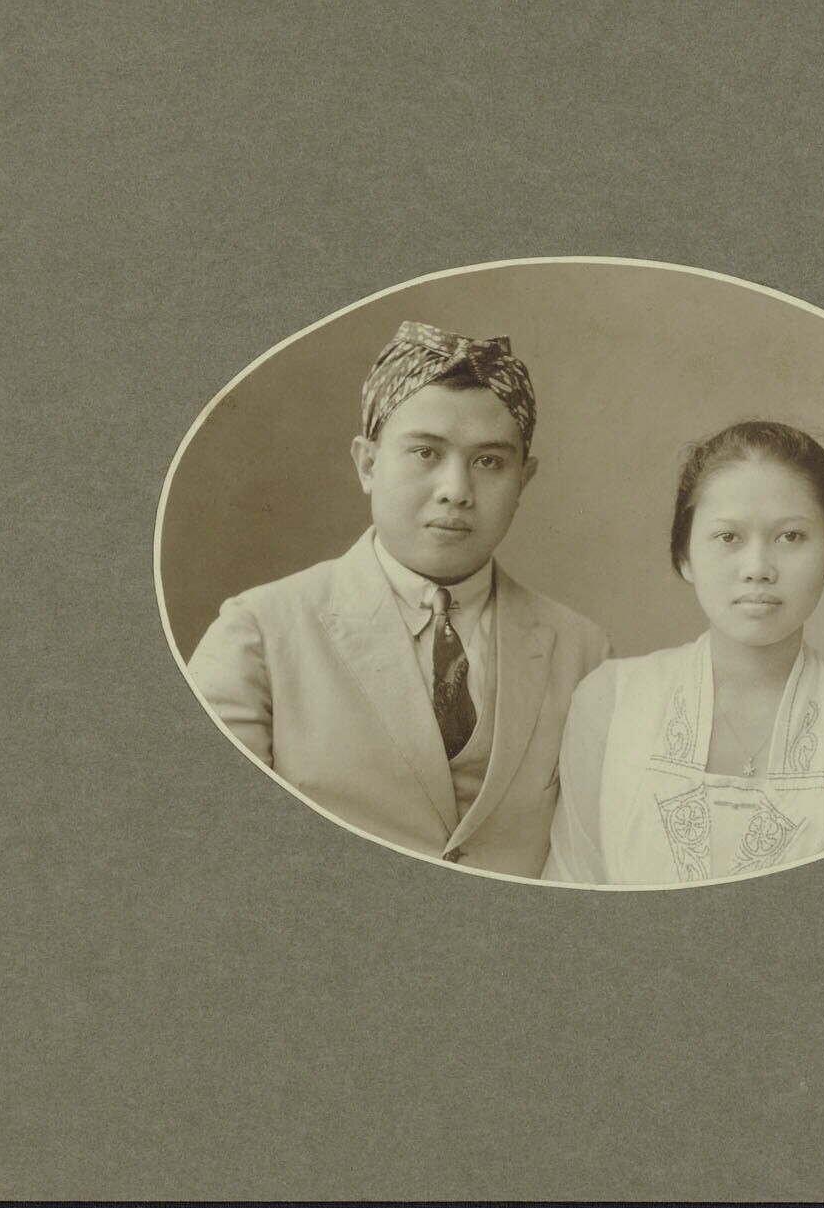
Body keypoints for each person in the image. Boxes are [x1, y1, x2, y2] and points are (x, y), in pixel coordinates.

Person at [188, 320, 610, 877]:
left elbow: (591, 858)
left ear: (523, 480)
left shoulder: (583, 652)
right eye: (425, 453)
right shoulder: (259, 633)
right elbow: (213, 842)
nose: (456, 491)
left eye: (489, 461)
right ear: (368, 465)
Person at [544, 420, 824, 885]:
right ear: (685, 557)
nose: (758, 568)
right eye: (729, 537)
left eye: (791, 537)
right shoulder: (610, 702)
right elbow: (570, 893)